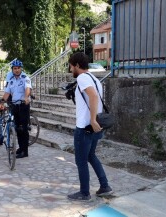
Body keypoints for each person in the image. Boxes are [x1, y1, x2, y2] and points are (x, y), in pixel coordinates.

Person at [67, 52, 113, 201]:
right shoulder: (94, 79)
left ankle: (84, 193)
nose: (70, 69)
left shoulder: (82, 78)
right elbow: (92, 98)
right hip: (94, 127)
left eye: (71, 66)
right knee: (91, 156)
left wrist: (92, 120)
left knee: (81, 160)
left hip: (85, 127)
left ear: (77, 66)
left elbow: (93, 96)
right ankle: (104, 186)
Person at [0, 59, 31, 158]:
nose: (16, 70)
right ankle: (20, 148)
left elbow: (28, 89)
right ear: (12, 69)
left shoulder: (25, 78)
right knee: (17, 128)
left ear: (21, 69)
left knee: (23, 128)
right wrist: (2, 102)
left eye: (18, 68)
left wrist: (25, 97)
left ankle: (25, 151)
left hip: (23, 105)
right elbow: (7, 93)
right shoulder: (11, 81)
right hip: (15, 106)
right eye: (15, 68)